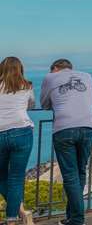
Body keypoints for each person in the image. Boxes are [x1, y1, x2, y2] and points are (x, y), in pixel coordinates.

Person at [40, 59, 92, 225]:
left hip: (64, 128)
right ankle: (72, 216)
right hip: (88, 126)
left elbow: (44, 104)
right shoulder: (87, 76)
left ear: (55, 68)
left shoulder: (50, 77)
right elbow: (88, 99)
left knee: (70, 176)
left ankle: (77, 220)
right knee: (81, 172)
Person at [0, 57, 35, 225]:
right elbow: (31, 105)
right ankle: (14, 216)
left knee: (2, 176)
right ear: (20, 69)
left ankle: (15, 214)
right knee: (16, 177)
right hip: (22, 132)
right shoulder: (27, 85)